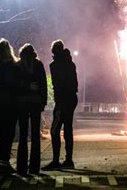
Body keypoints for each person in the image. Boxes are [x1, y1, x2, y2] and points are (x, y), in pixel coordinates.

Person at [42, 40, 78, 170]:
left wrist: (59, 99)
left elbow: (57, 85)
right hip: (72, 98)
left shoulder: (54, 65)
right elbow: (74, 84)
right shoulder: (71, 63)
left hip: (62, 100)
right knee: (68, 128)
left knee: (55, 130)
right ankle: (69, 159)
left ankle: (56, 160)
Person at [16, 44, 47, 175]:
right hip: (35, 103)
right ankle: (34, 167)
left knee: (23, 135)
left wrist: (25, 87)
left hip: (22, 103)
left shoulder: (17, 66)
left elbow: (15, 84)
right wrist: (43, 102)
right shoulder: (38, 65)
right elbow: (43, 84)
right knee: (35, 135)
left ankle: (21, 167)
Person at [0, 39, 19, 174]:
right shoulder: (12, 66)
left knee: (0, 132)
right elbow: (14, 84)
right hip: (11, 104)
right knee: (8, 133)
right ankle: (5, 161)